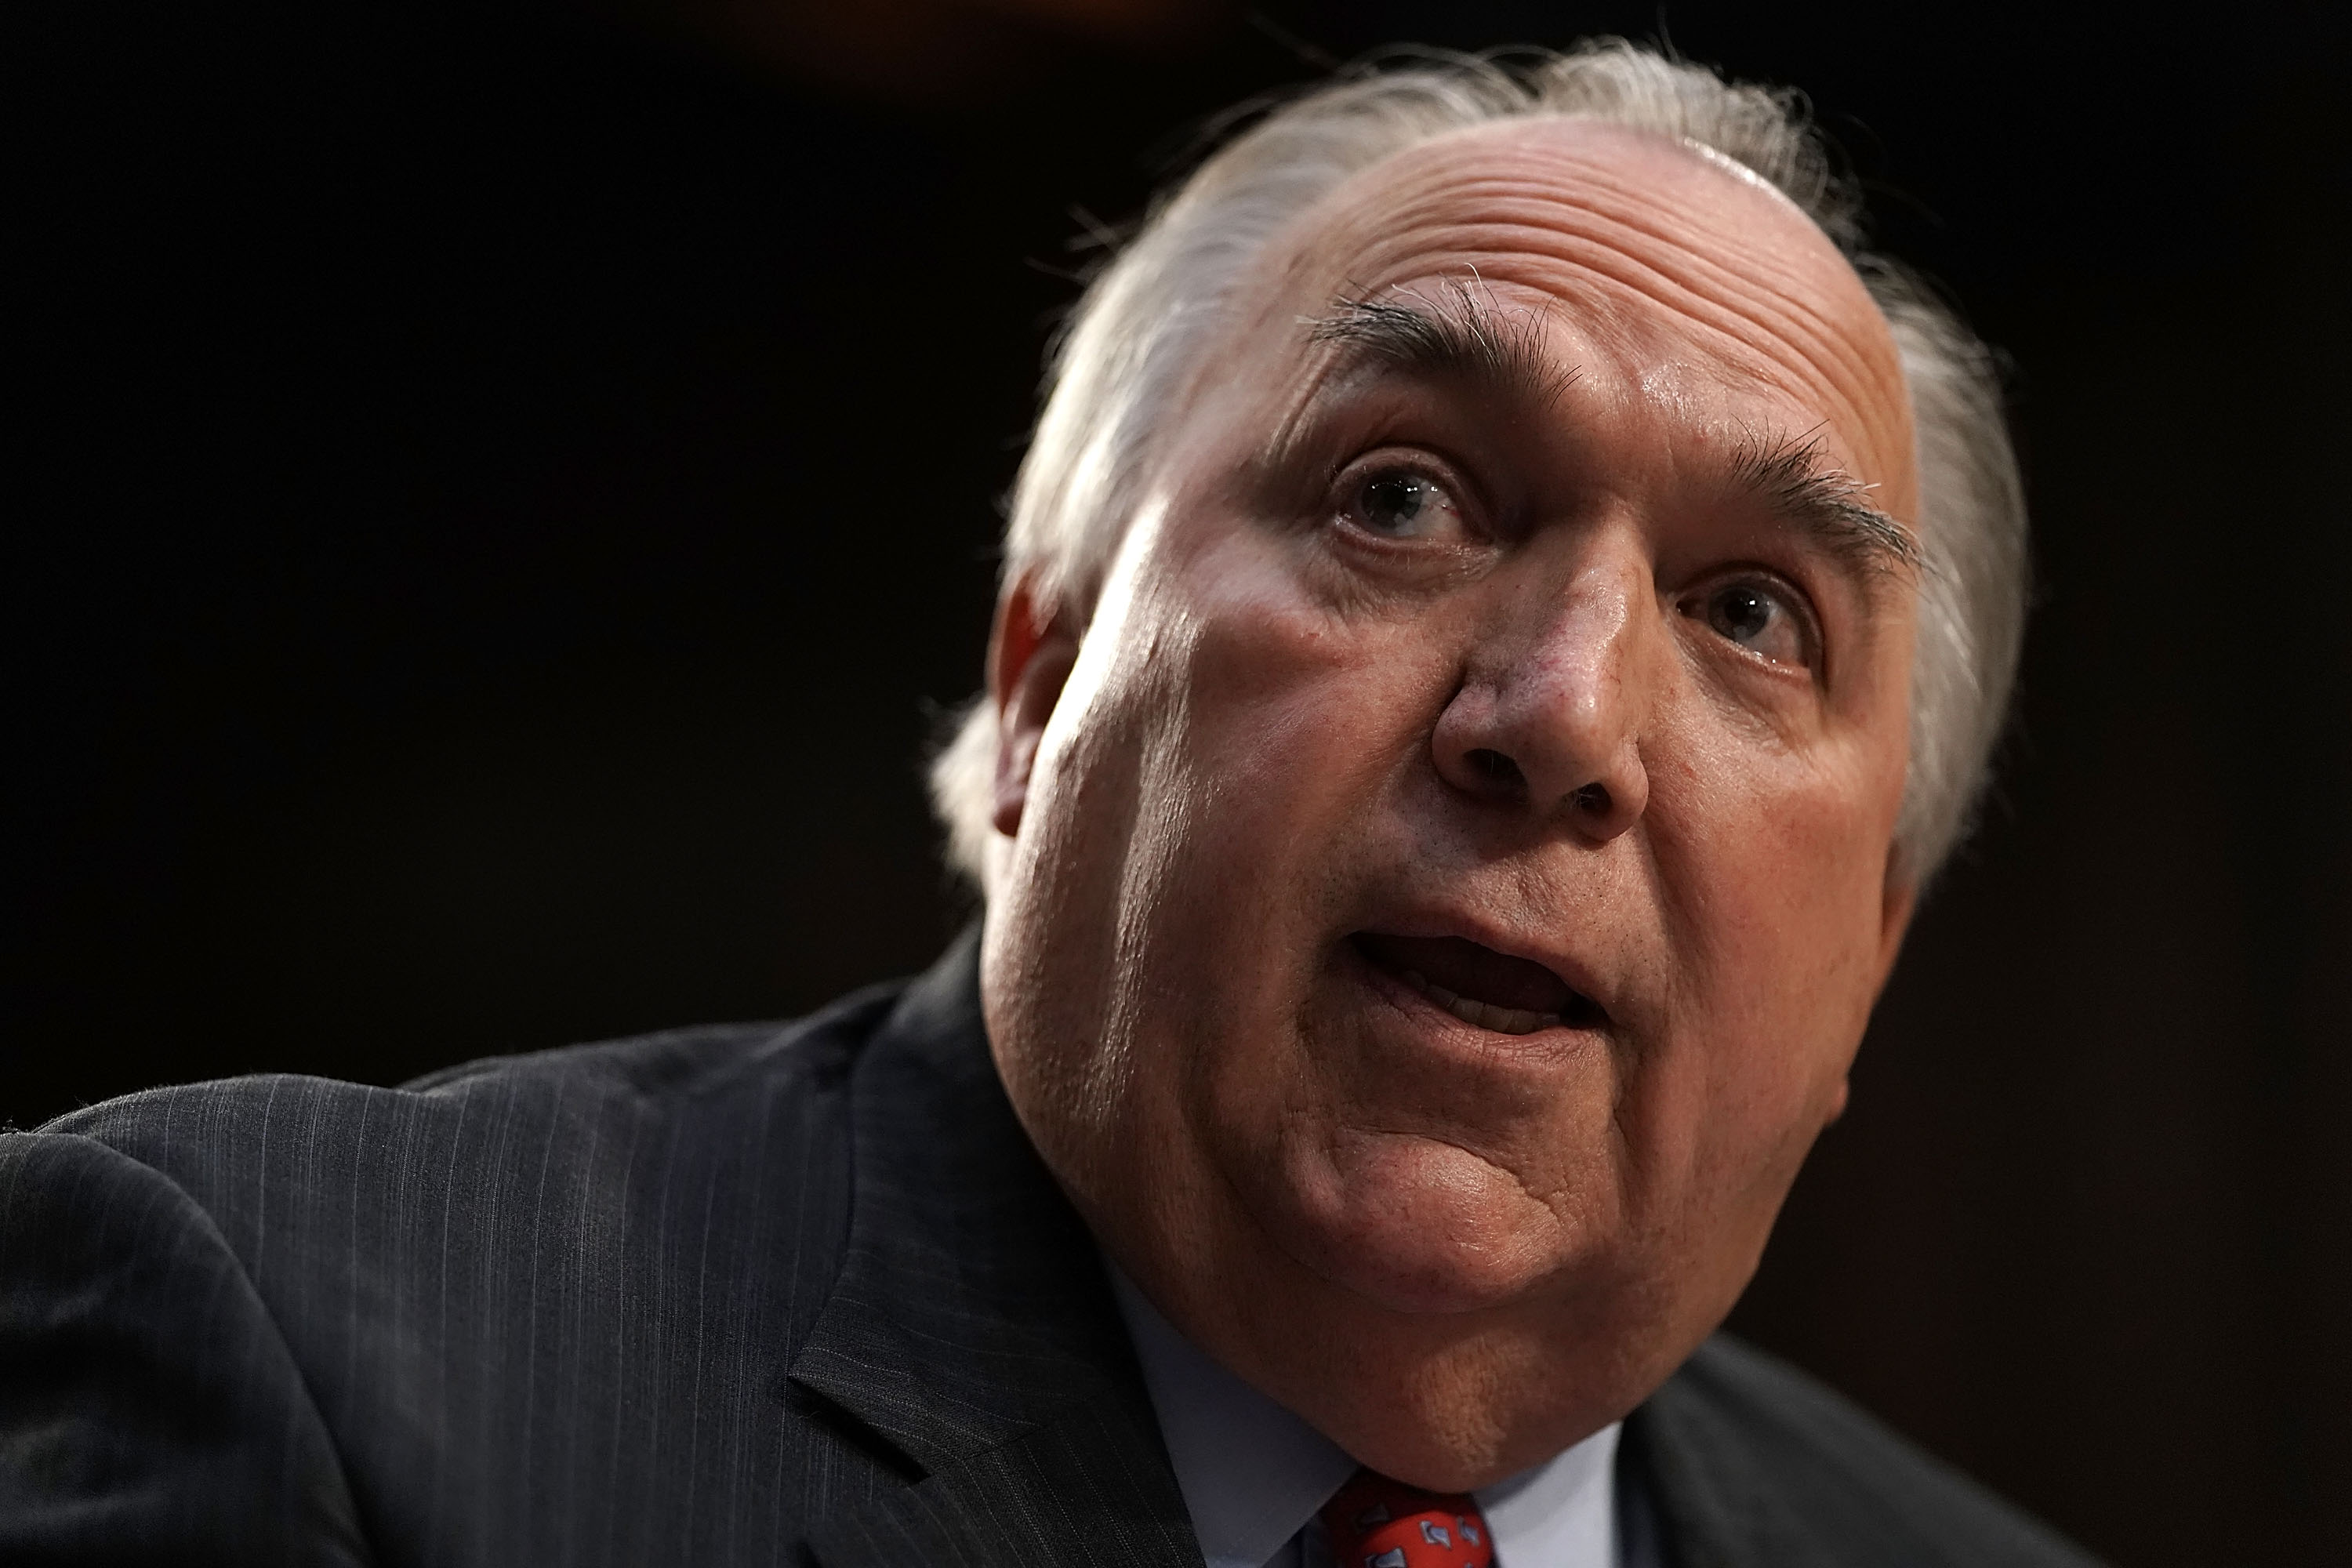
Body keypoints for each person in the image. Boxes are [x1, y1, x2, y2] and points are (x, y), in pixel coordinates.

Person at [0, 39, 2096, 1567]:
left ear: (1874, 956)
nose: (1560, 716)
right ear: (1039, 683)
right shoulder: (284, 1347)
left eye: (1751, 612)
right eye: (1401, 497)